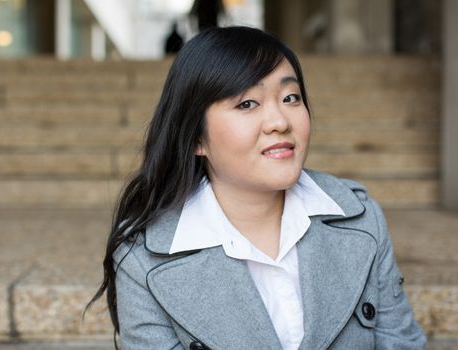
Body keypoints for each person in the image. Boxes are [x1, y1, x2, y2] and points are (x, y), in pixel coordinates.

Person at [85, 26, 426, 349]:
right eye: (247, 104)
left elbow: (401, 341)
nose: (280, 121)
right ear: (196, 138)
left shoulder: (360, 218)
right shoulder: (142, 259)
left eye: (291, 98)